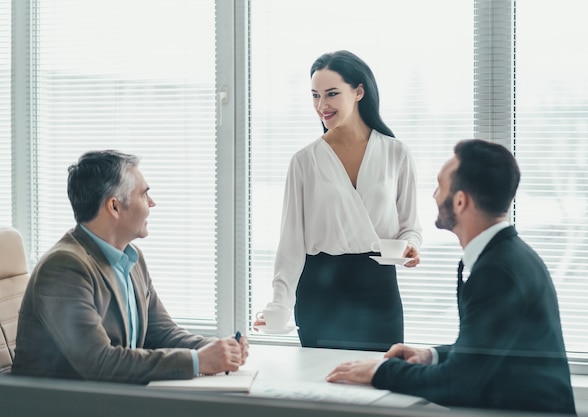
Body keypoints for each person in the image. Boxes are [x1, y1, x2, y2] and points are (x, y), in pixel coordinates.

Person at [326, 139, 577, 414]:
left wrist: (381, 371)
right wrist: (431, 356)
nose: (434, 195)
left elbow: (459, 383)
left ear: (460, 201)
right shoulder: (507, 256)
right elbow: (484, 348)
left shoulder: (497, 271)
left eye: (440, 186)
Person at [12, 150, 249, 383]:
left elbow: (161, 333)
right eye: (144, 195)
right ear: (114, 207)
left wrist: (216, 348)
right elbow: (98, 362)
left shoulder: (131, 258)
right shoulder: (64, 267)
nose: (152, 203)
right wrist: (197, 361)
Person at [255, 50, 423, 351]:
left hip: (379, 290)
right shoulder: (304, 161)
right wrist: (279, 306)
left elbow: (410, 226)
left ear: (359, 91)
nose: (322, 105)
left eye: (332, 94)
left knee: (382, 381)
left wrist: (411, 245)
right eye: (315, 96)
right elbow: (291, 242)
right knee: (322, 386)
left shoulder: (396, 153)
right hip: (320, 293)